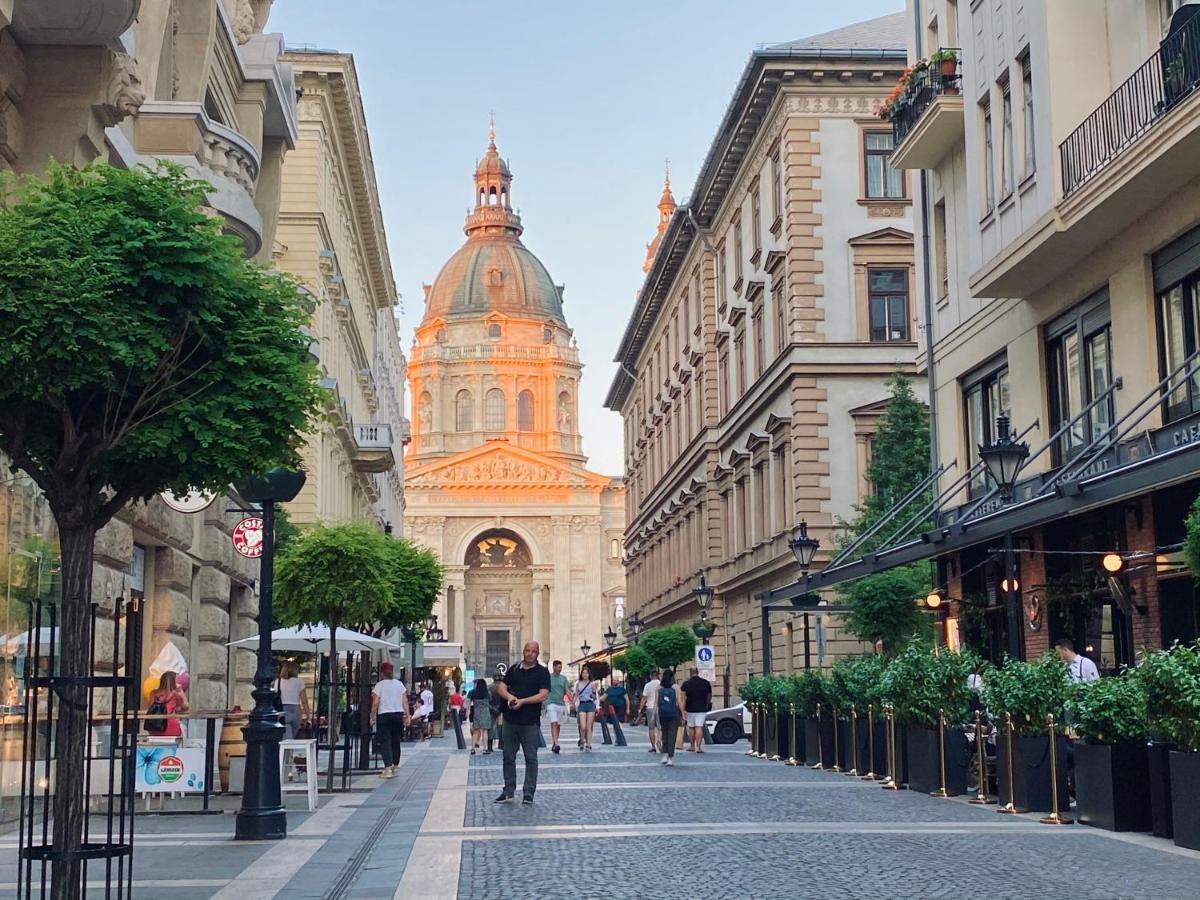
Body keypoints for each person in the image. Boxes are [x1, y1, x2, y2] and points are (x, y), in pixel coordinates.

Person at [494, 641, 550, 805]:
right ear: (523, 651)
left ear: (537, 653)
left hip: (530, 722)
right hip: (510, 720)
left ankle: (528, 792)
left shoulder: (542, 672)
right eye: (527, 650)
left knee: (531, 757)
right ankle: (508, 790)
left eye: (533, 651)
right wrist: (510, 698)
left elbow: (543, 695)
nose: (530, 653)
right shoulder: (514, 669)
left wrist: (523, 701)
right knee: (507, 756)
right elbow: (501, 688)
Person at [370, 661, 408, 778]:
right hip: (398, 715)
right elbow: (405, 701)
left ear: (382, 673)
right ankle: (395, 766)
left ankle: (388, 768)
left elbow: (375, 703)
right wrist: (407, 715)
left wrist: (372, 717)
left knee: (385, 741)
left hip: (384, 715)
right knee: (396, 741)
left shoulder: (379, 685)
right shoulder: (399, 685)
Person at [653, 669, 684, 766]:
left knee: (664, 735)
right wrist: (683, 713)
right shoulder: (676, 687)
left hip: (663, 715)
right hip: (673, 714)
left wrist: (654, 715)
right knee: (672, 736)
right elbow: (679, 702)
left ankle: (664, 755)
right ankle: (670, 757)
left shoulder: (659, 687)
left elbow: (656, 702)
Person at [146, 671, 188, 738]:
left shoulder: (153, 693)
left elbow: (150, 708)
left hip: (154, 727)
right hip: (171, 727)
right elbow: (186, 706)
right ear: (174, 682)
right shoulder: (176, 695)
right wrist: (180, 690)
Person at [680, 667, 712, 753]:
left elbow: (682, 699)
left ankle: (692, 746)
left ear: (690, 673)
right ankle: (699, 747)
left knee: (691, 727)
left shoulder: (686, 684)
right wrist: (707, 703)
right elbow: (709, 696)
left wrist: (682, 710)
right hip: (702, 708)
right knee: (699, 727)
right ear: (698, 672)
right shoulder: (706, 683)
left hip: (690, 708)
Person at [276, 660, 310, 740]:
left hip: (282, 710)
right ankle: (288, 751)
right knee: (292, 736)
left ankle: (285, 751)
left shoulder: (278, 682)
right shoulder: (299, 681)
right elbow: (304, 701)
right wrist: (307, 714)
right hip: (295, 710)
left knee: (285, 736)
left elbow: (274, 697)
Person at [546, 660, 572, 754]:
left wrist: (572, 700)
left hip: (560, 704)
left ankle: (554, 742)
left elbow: (567, 690)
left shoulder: (563, 678)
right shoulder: (548, 678)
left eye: (561, 667)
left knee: (558, 725)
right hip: (550, 703)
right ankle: (557, 744)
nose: (560, 669)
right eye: (558, 667)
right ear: (554, 667)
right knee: (554, 723)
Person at [574, 666, 599, 751]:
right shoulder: (578, 683)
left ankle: (588, 744)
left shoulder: (592, 684)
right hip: (582, 705)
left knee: (589, 727)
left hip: (590, 704)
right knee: (583, 726)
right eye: (583, 673)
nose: (585, 674)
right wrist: (572, 703)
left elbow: (595, 697)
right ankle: (582, 740)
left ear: (589, 674)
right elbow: (576, 695)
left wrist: (593, 694)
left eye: (586, 673)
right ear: (581, 674)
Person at [638, 668, 662, 753]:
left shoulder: (647, 685)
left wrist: (640, 709)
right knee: (660, 727)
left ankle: (653, 746)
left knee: (651, 728)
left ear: (650, 676)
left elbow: (644, 698)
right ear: (658, 675)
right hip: (660, 708)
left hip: (650, 708)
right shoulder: (661, 684)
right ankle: (660, 741)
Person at [467, 678, 492, 755]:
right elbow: (490, 700)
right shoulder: (487, 692)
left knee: (476, 731)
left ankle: (473, 749)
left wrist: (468, 712)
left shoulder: (472, 692)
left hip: (477, 712)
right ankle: (485, 749)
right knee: (485, 731)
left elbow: (468, 704)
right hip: (485, 712)